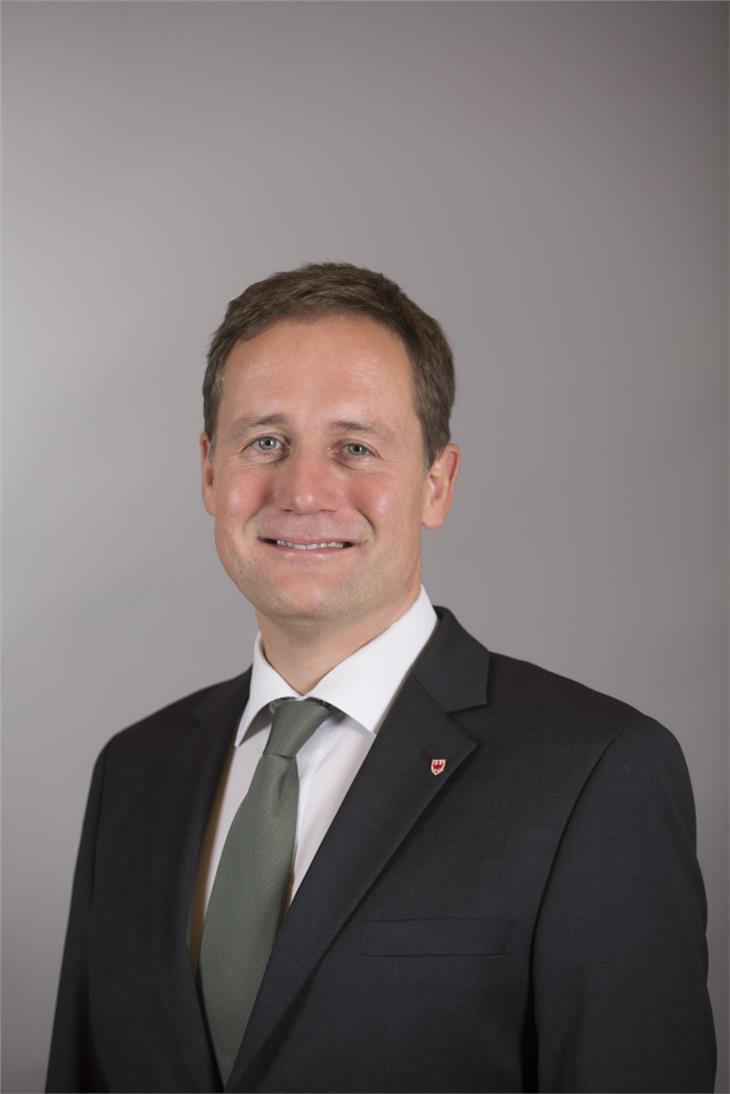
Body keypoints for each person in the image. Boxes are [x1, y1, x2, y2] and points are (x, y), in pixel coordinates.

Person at [46, 262, 716, 1093]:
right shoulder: (134, 771)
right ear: (211, 472)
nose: (303, 491)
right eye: (265, 442)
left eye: (355, 447)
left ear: (437, 482)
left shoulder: (596, 772)